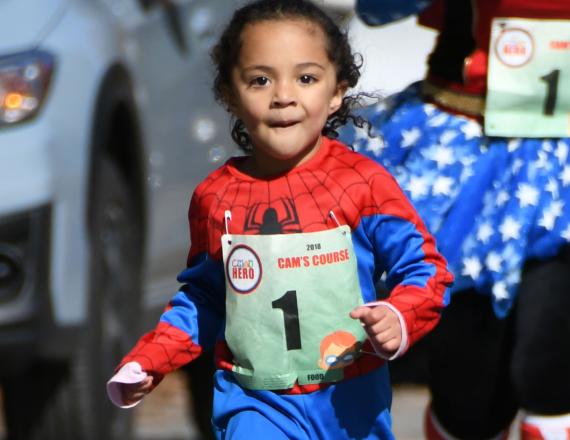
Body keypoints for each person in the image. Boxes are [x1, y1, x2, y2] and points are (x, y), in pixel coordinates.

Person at [106, 0, 453, 438]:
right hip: (255, 401)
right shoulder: (216, 199)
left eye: (306, 78)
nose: (283, 95)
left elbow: (425, 270)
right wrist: (151, 357)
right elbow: (206, 298)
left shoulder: (363, 183)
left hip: (349, 406)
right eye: (260, 79)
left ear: (336, 92)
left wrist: (399, 317)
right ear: (230, 94)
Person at [340, 0, 570, 439]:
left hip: (564, 163)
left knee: (548, 369)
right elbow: (377, 8)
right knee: (470, 396)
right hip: (467, 147)